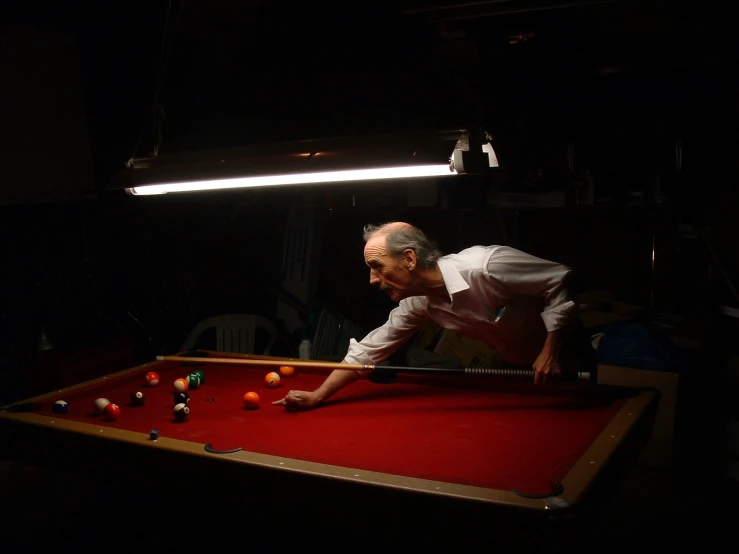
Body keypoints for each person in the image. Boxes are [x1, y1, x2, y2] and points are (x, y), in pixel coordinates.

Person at [273, 221, 595, 411]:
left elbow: (559, 278)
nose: (372, 280)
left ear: (409, 259)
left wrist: (551, 350)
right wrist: (317, 396)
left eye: (377, 267)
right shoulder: (419, 304)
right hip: (520, 368)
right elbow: (368, 351)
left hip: (569, 355)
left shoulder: (485, 266)